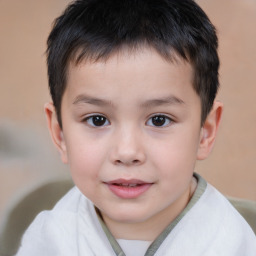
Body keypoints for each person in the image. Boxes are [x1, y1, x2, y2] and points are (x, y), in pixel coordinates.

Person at [16, 0, 256, 255]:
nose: (127, 152)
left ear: (205, 132)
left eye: (159, 120)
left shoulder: (231, 243)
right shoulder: (50, 237)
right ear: (59, 133)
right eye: (97, 120)